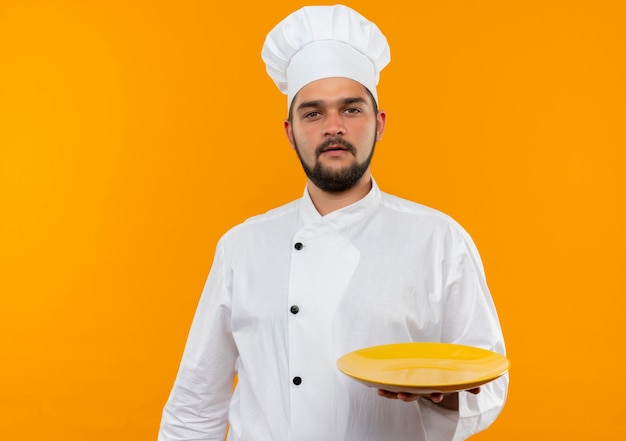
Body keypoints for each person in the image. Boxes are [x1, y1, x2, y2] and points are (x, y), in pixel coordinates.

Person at [158, 4, 508, 441]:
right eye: (313, 113)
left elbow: (488, 385)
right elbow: (195, 405)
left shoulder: (439, 240)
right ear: (290, 132)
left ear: (379, 124)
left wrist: (441, 394)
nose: (333, 127)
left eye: (351, 109)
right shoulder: (242, 246)